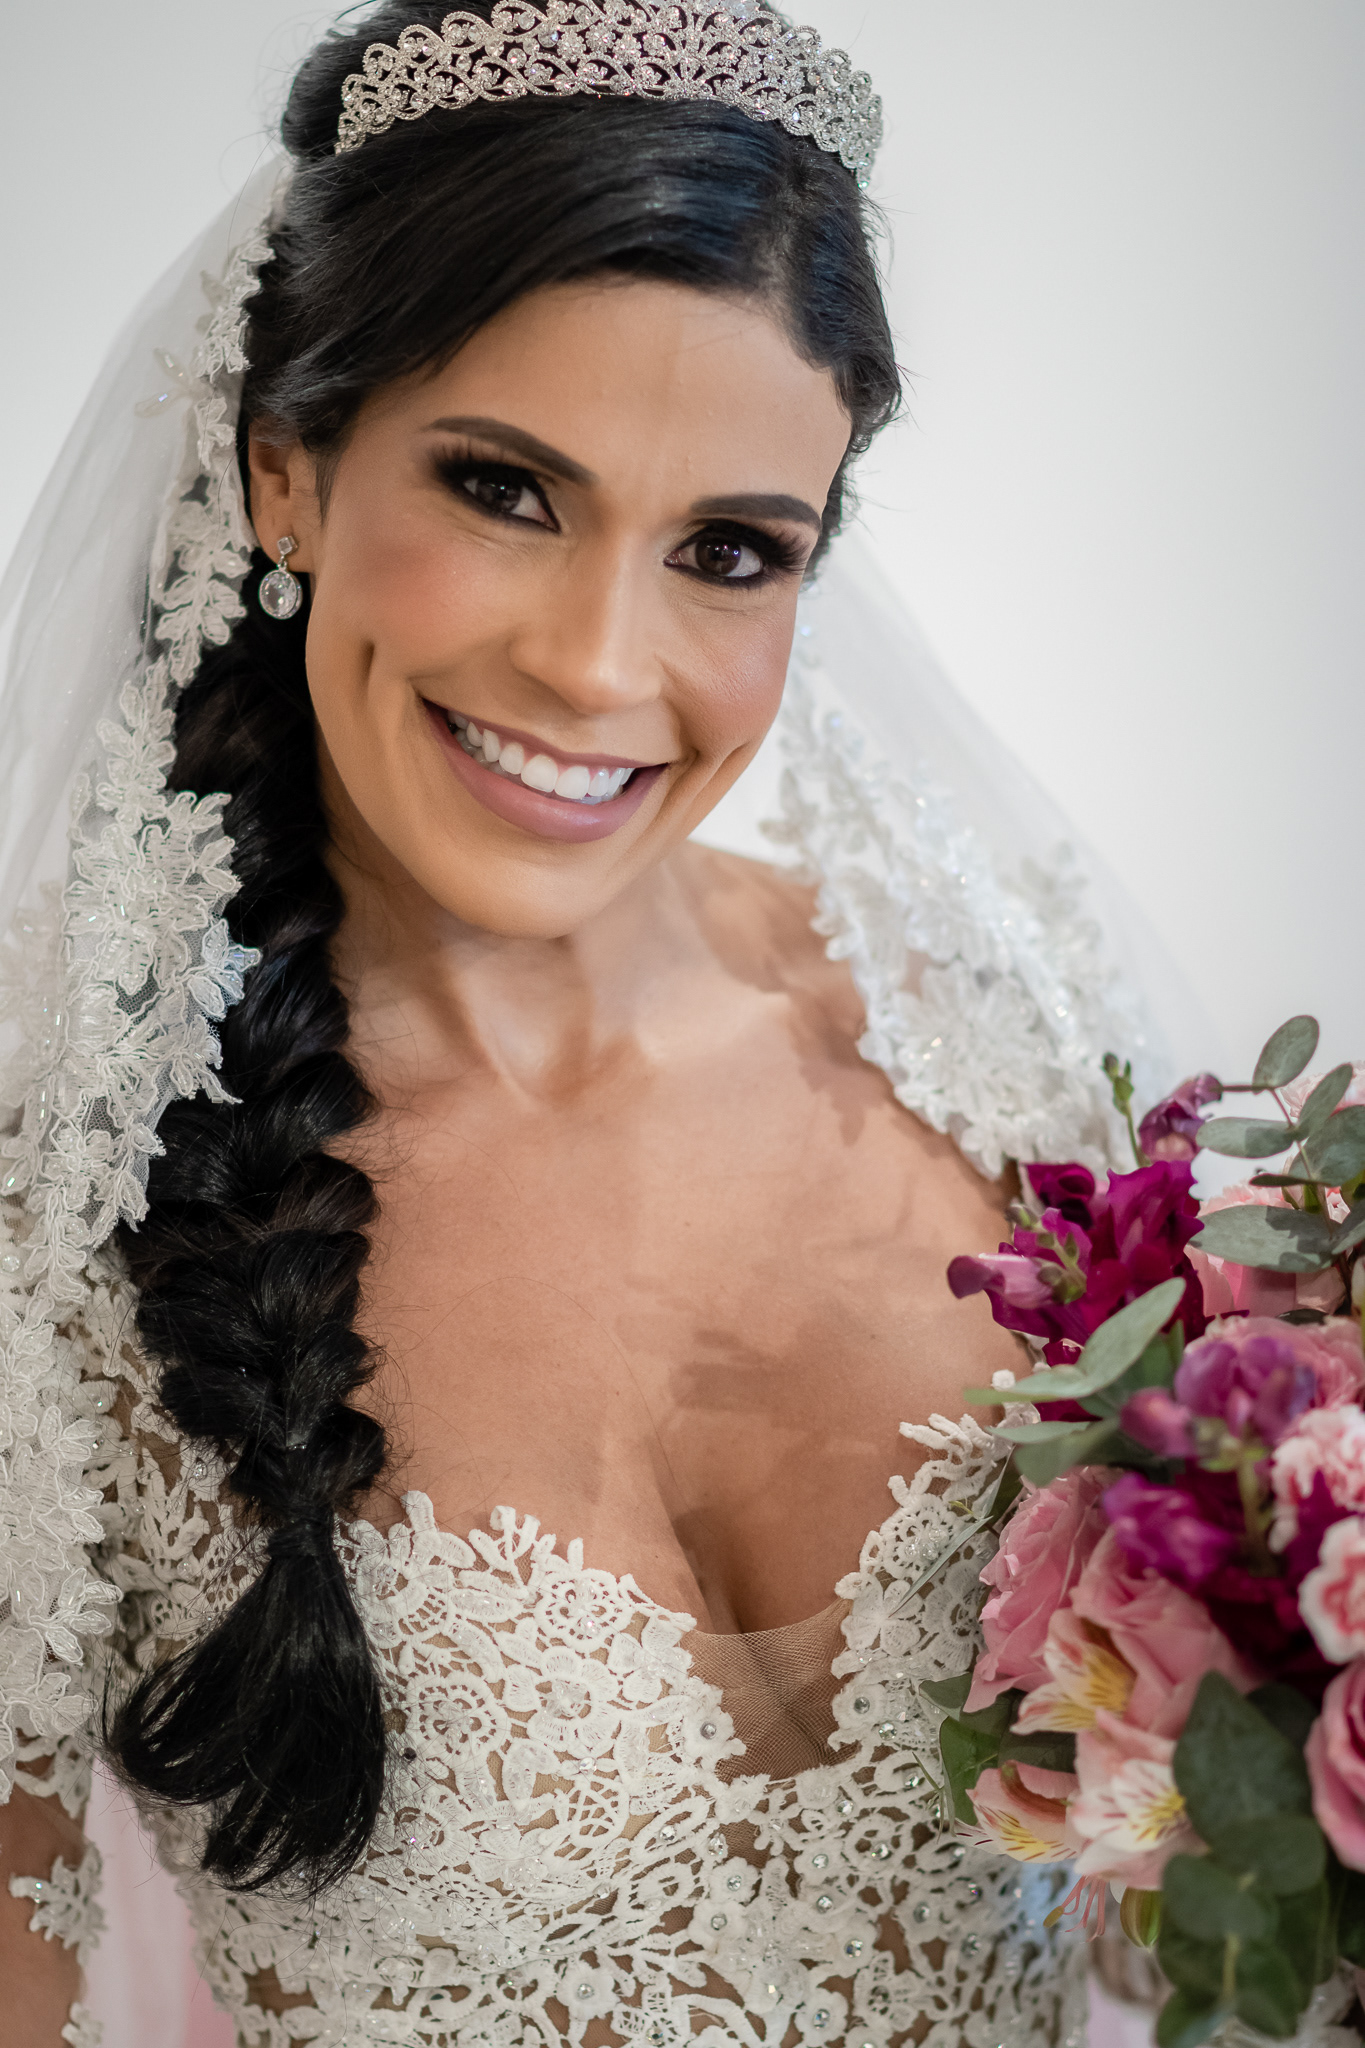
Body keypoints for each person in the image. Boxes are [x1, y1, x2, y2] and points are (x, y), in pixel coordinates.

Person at [0, 5, 1150, 2043]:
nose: (603, 664)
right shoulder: (51, 1206)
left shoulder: (994, 1047)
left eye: (727, 552)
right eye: (503, 489)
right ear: (283, 470)